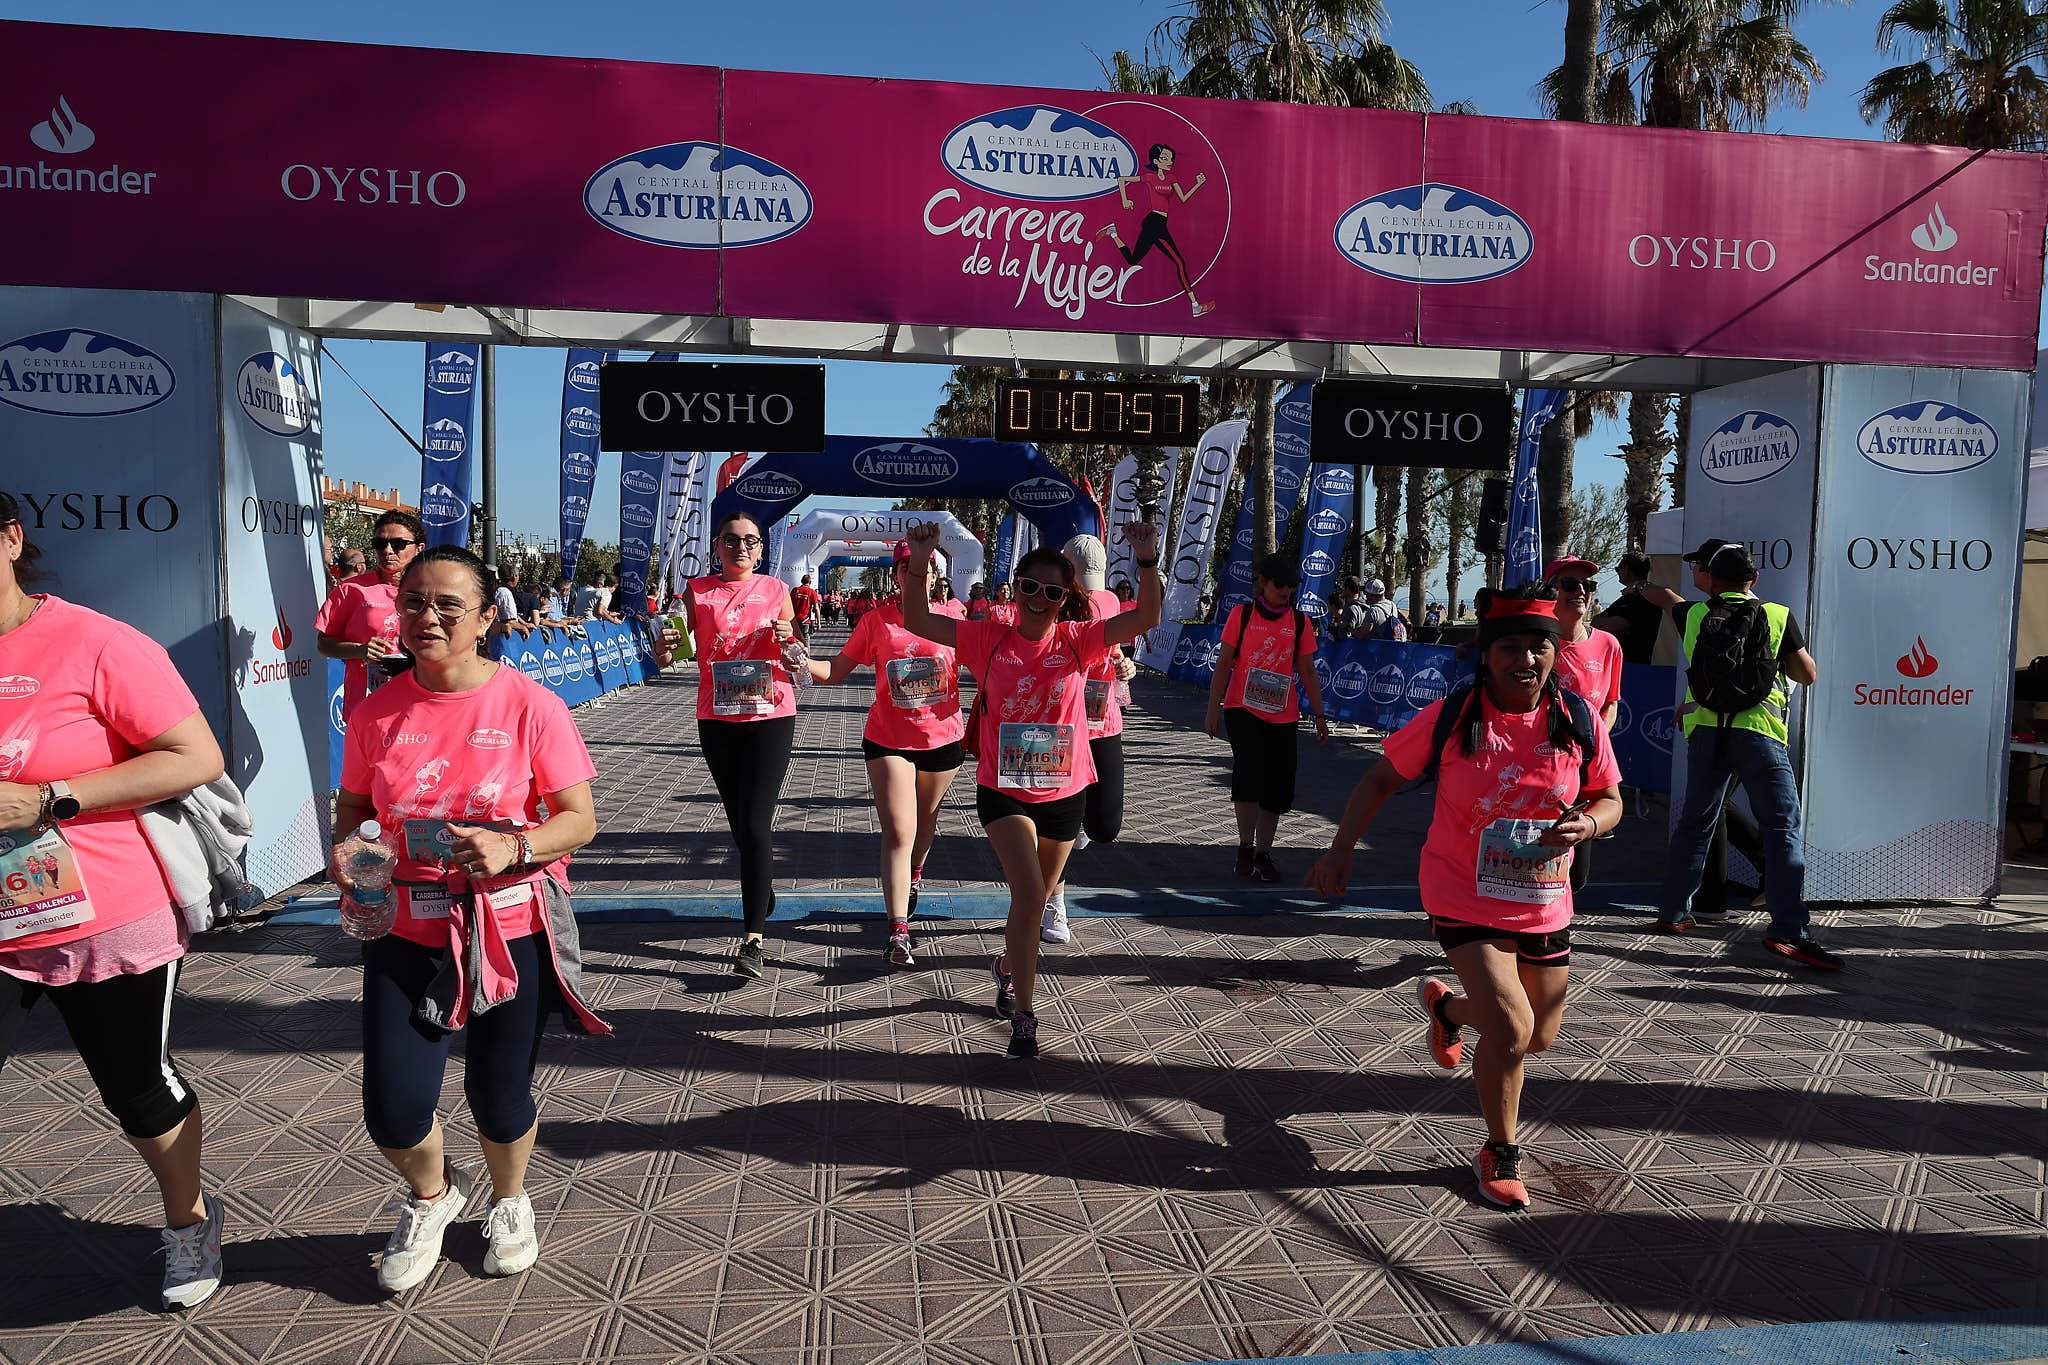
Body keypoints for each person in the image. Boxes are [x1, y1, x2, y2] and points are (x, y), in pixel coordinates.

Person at [334, 544, 605, 1294]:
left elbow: (578, 818)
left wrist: (514, 843)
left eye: (449, 605)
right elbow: (356, 810)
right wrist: (351, 853)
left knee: (499, 1092)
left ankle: (510, 1200)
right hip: (405, 928)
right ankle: (432, 1194)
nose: (427, 616)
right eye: (414, 601)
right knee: (393, 1108)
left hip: (507, 929)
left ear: (487, 618)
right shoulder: (375, 712)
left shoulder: (530, 704)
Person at [1306, 588, 1624, 1211]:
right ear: (1487, 655)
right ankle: (1499, 1153)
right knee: (1510, 1025)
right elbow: (1379, 777)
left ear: (1556, 655)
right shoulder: (1453, 716)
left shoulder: (1578, 718)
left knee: (1540, 1036)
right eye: (1512, 648)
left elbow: (1610, 797)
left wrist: (1588, 825)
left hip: (1543, 897)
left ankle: (1449, 1012)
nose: (1527, 660)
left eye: (1540, 648)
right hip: (1461, 889)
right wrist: (1340, 849)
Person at [0, 491, 231, 1308]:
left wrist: (49, 796)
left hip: (101, 916)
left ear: (12, 536)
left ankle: (188, 1219)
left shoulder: (95, 641)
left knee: (136, 1089)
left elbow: (194, 754)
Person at [900, 521, 1161, 1058]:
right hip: (1004, 788)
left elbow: (1148, 617)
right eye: (1031, 587)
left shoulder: (1079, 639)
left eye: (1053, 591)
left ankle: (1005, 966)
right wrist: (923, 560)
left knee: (1038, 898)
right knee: (1027, 896)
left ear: (1066, 599)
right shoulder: (985, 636)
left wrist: (1147, 558)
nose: (1040, 599)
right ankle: (1025, 1013)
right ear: (1015, 587)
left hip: (1066, 790)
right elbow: (917, 618)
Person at [1656, 540, 1841, 970]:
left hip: (1705, 731)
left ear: (1710, 581)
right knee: (1781, 829)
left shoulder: (1695, 615)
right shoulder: (1776, 615)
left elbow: (1670, 602)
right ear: (1754, 579)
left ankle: (1673, 913)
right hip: (1759, 734)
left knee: (1696, 821)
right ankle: (1788, 929)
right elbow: (1807, 674)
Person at [807, 541, 964, 966]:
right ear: (896, 574)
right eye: (904, 568)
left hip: (943, 739)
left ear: (935, 574)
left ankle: (913, 876)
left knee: (924, 826)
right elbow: (836, 671)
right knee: (899, 830)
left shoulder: (955, 616)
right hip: (888, 740)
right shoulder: (877, 622)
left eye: (924, 568)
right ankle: (898, 930)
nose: (914, 575)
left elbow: (993, 663)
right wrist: (800, 661)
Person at [656, 513, 797, 978]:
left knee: (756, 825)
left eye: (751, 541)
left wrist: (789, 641)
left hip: (770, 713)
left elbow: (796, 651)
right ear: (717, 545)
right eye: (732, 540)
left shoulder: (776, 589)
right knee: (740, 823)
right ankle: (764, 888)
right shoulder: (696, 592)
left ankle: (752, 938)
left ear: (761, 549)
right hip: (716, 717)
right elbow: (672, 650)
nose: (741, 548)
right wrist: (666, 646)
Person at [1205, 555, 1331, 882]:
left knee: (1278, 786)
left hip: (1283, 715)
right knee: (1249, 773)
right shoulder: (1242, 615)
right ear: (1263, 582)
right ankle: (1245, 846)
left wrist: (1319, 714)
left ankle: (1263, 853)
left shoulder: (1301, 622)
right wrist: (1212, 707)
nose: (1286, 591)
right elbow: (1223, 664)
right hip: (1242, 708)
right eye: (1279, 585)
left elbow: (1307, 671)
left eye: (1291, 587)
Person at [1040, 534, 1139, 945]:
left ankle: (1079, 826)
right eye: (1084, 581)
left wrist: (1125, 666)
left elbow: (1117, 649)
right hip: (1059, 728)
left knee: (1105, 826)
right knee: (1054, 829)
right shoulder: (1049, 603)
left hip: (1103, 722)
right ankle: (1053, 904)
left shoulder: (1112, 602)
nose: (1090, 591)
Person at [1544, 555, 1624, 895]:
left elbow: (1611, 702)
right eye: (1569, 584)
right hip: (1539, 764)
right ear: (1550, 592)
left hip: (1585, 767)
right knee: (1540, 857)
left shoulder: (1608, 645)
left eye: (1587, 586)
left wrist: (1593, 742)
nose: (1580, 591)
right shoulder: (1537, 644)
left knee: (1577, 873)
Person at [317, 510, 424, 724]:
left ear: (418, 548)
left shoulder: (431, 590)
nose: (388, 551)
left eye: (399, 544)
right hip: (368, 705)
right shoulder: (352, 589)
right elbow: (323, 644)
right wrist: (360, 650)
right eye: (380, 544)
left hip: (419, 704)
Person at [1097, 143, 1214, 318]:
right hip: (1153, 223)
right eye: (1165, 158)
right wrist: (1124, 200)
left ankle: (1113, 233)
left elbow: (1183, 198)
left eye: (1171, 159)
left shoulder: (1172, 178)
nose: (1170, 162)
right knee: (1179, 263)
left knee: (1133, 260)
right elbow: (1122, 179)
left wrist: (1197, 184)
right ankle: (1195, 306)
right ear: (1156, 161)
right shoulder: (1149, 177)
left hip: (1160, 224)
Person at [1593, 550, 1675, 667]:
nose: (1618, 572)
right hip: (1630, 664)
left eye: (1618, 569)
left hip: (1631, 665)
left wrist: (1602, 619)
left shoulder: (1638, 600)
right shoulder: (1636, 598)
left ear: (1626, 570)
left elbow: (1606, 627)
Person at [791, 575, 821, 643]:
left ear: (801, 581)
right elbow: (816, 608)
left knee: (794, 640)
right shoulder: (812, 592)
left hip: (794, 619)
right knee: (805, 640)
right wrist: (818, 622)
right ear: (810, 582)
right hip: (805, 620)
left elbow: (789, 604)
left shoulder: (795, 590)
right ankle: (805, 652)